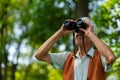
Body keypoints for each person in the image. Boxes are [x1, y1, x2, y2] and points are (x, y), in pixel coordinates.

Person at [34, 17, 116, 80]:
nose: (79, 32)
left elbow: (111, 57)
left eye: (83, 30)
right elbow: (39, 55)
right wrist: (60, 33)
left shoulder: (100, 57)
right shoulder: (67, 58)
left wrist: (90, 34)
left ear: (93, 37)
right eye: (77, 30)